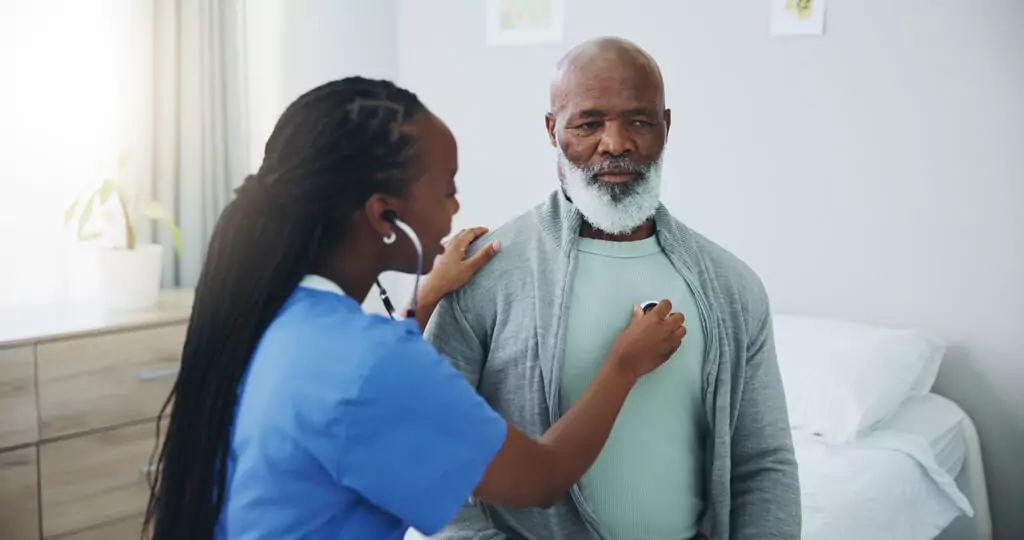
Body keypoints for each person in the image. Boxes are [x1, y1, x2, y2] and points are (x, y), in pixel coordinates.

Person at [141, 77, 688, 540]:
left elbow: (354, 404)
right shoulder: (371, 366)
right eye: (448, 190)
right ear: (385, 217)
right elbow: (540, 478)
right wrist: (623, 365)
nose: (456, 207)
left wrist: (423, 300)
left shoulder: (266, 318)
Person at [426, 37, 801, 540]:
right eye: (589, 123)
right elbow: (431, 454)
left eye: (639, 121)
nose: (616, 142)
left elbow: (763, 463)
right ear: (551, 130)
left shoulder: (731, 287)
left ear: (666, 127)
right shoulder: (487, 274)